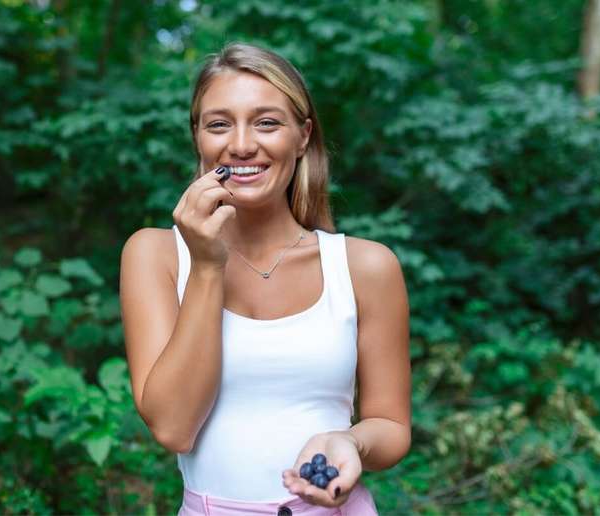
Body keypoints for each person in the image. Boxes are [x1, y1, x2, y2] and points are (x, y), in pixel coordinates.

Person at [120, 42, 410, 515]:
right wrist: (208, 265)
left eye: (266, 122)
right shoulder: (155, 255)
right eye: (219, 124)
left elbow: (391, 426)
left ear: (302, 136)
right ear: (198, 138)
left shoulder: (365, 266)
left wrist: (350, 441)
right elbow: (174, 428)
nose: (240, 144)